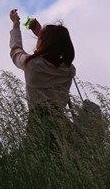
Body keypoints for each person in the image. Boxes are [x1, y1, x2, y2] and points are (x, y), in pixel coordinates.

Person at [9, 8, 76, 146]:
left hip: (38, 123)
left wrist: (15, 25)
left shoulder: (32, 65)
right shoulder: (68, 70)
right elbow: (54, 49)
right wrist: (41, 33)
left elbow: (16, 51)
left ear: (43, 43)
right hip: (61, 122)